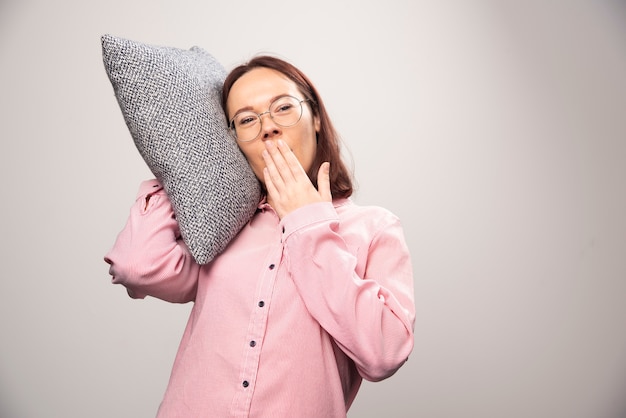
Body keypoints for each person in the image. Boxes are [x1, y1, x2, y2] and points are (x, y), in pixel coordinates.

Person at [104, 55, 416, 418]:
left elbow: (384, 352)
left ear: (315, 117)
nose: (267, 128)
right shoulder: (224, 229)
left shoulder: (374, 228)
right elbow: (137, 266)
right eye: (247, 120)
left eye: (283, 108)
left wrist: (306, 223)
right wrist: (180, 172)